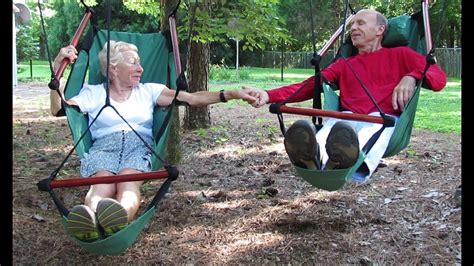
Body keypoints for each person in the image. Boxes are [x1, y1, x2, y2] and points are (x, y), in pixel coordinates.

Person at [58, 40, 257, 242]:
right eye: (133, 62)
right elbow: (60, 108)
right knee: (101, 184)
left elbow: (192, 99)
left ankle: (116, 220)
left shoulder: (149, 91)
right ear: (113, 68)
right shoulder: (93, 93)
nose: (140, 68)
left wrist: (230, 94)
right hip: (103, 147)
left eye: (140, 63)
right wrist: (58, 67)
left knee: (128, 183)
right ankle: (90, 221)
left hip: (138, 147)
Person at [242, 9, 447, 183]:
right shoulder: (344, 64)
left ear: (380, 30)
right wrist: (269, 95)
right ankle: (314, 160)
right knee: (330, 132)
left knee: (370, 130)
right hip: (345, 119)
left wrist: (412, 76)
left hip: (381, 119)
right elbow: (310, 86)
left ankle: (343, 164)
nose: (353, 28)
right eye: (352, 25)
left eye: (360, 23)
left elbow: (439, 80)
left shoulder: (401, 54)